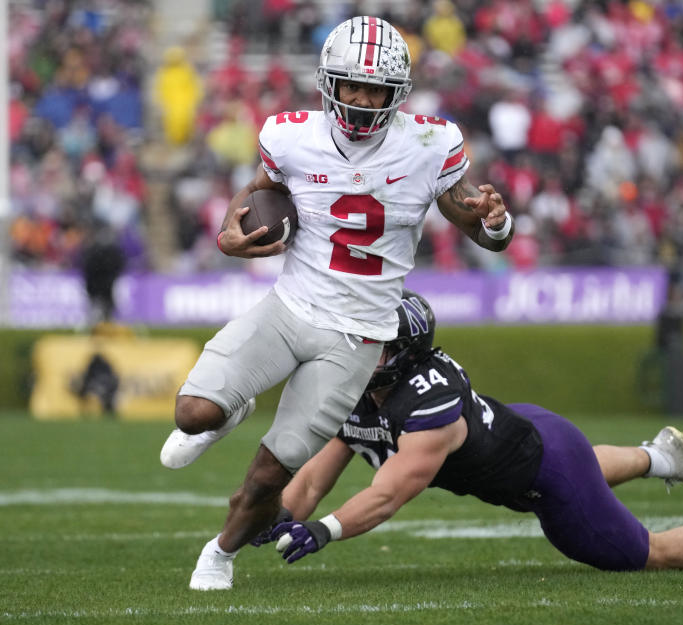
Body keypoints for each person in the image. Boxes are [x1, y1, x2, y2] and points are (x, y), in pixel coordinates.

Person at [164, 16, 514, 590]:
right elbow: (261, 192)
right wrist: (231, 227)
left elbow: (473, 220)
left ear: (396, 93)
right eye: (349, 84)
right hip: (287, 310)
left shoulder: (430, 143)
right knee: (193, 413)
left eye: (374, 88)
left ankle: (219, 553)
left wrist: (496, 224)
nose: (359, 98)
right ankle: (232, 408)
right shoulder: (290, 134)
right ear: (329, 82)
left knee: (266, 477)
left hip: (357, 338)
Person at [237, 291, 683, 577]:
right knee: (575, 461)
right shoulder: (368, 386)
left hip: (542, 472)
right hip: (528, 431)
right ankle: (658, 456)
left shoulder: (426, 403)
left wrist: (322, 530)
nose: (362, 348)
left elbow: (391, 492)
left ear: (403, 354)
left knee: (646, 555)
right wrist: (278, 512)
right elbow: (322, 464)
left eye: (376, 342)